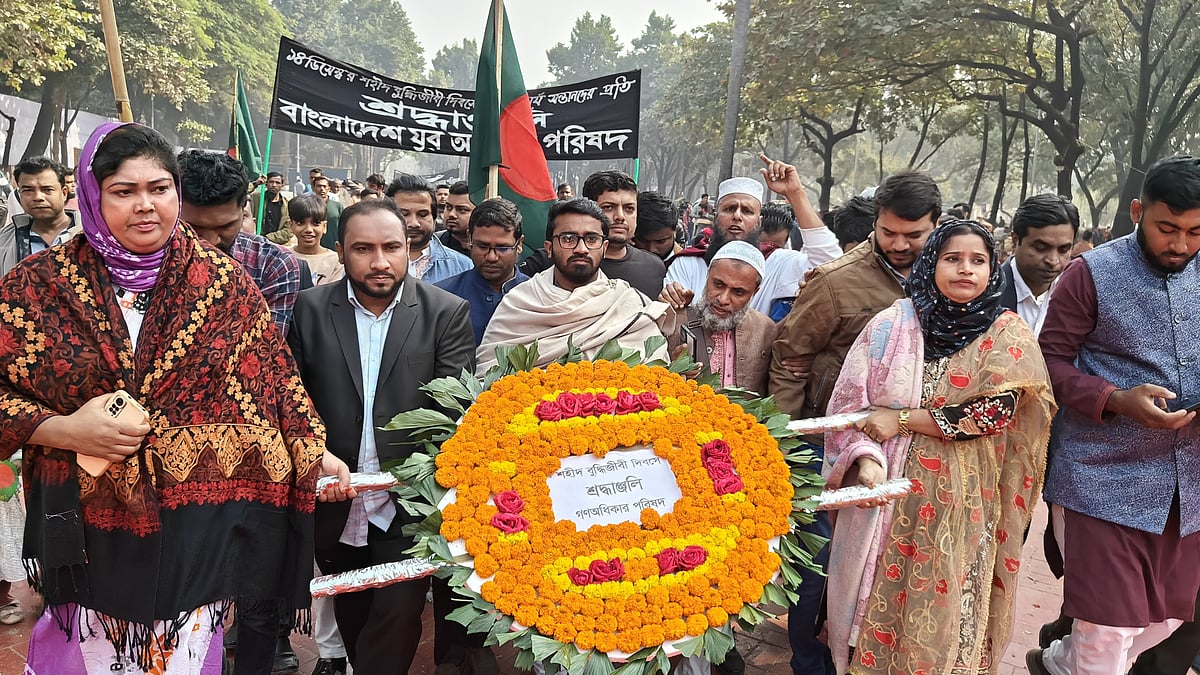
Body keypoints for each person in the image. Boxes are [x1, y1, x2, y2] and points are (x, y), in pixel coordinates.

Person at [0, 121, 350, 674]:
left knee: (185, 652)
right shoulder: (36, 286)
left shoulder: (225, 283)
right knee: (88, 650)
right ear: (91, 196)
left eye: (159, 189)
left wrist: (311, 445)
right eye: (123, 191)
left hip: (197, 514)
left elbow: (273, 377)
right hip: (86, 516)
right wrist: (63, 430)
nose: (145, 206)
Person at [823, 219, 1055, 675]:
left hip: (965, 496)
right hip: (889, 485)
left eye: (978, 261)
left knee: (945, 590)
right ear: (932, 265)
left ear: (994, 268)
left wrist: (903, 420)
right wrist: (865, 457)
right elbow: (850, 399)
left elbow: (991, 415)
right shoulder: (894, 323)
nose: (965, 270)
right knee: (877, 590)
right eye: (953, 259)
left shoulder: (1008, 333)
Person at [288, 198, 477, 675]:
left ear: (410, 249)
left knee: (397, 613)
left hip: (410, 502)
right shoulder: (309, 310)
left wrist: (422, 479)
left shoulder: (445, 313)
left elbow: (453, 412)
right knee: (353, 611)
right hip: (335, 495)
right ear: (340, 251)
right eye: (363, 249)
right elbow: (291, 400)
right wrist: (316, 456)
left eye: (392, 247)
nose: (379, 262)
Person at [1028, 156, 1200, 675]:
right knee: (1105, 635)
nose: (1180, 245)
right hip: (1099, 475)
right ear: (1136, 212)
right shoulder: (1090, 273)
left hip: (1187, 484)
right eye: (1166, 228)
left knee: (1169, 618)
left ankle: (1060, 662)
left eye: (1195, 232)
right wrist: (1115, 398)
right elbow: (1047, 364)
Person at [477, 198, 672, 372]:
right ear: (549, 248)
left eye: (591, 239)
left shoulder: (628, 304)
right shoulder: (518, 303)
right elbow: (489, 377)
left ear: (604, 248)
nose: (581, 249)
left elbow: (655, 376)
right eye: (568, 239)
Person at [664, 154, 842, 315]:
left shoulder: (777, 263)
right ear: (716, 217)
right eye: (729, 209)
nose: (737, 216)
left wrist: (795, 193)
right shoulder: (687, 264)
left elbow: (831, 265)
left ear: (759, 222)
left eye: (747, 211)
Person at [177, 150, 302, 335]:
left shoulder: (272, 264)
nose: (210, 242)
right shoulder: (146, 260)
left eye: (224, 227)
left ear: (244, 207)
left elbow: (266, 347)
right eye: (195, 229)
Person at [664, 241, 776, 393]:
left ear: (754, 292)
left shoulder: (766, 330)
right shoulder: (672, 321)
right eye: (718, 284)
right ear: (707, 275)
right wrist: (672, 370)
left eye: (738, 292)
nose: (723, 299)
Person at [436, 197, 530, 345]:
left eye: (502, 248)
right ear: (469, 239)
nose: (492, 257)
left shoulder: (538, 296)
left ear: (519, 244)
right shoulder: (441, 297)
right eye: (482, 246)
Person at [1000, 194, 1078, 337]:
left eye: (1064, 250)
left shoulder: (1077, 298)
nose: (1053, 260)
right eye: (1041, 247)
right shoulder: (987, 293)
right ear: (1015, 240)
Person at [583, 170, 667, 298]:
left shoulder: (654, 267)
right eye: (608, 207)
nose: (620, 217)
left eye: (629, 209)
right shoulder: (561, 263)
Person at [1, 156, 83, 275]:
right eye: (28, 190)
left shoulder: (91, 234)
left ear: (64, 193)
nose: (38, 197)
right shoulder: (5, 241)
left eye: (47, 189)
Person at [386, 173, 472, 284]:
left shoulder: (463, 268)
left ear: (434, 217)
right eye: (404, 214)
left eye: (422, 214)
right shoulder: (368, 263)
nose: (414, 223)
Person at [287, 194, 344, 286]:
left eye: (316, 223)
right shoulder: (283, 258)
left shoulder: (336, 261)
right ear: (290, 225)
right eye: (300, 223)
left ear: (324, 226)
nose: (309, 229)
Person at [633, 190, 681, 261]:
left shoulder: (688, 267)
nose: (652, 249)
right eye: (643, 241)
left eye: (661, 241)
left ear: (675, 231)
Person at [437, 180, 473, 256]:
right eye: (448, 207)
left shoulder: (488, 252)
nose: (451, 214)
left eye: (462, 210)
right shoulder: (434, 245)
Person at [251, 171, 289, 235]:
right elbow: (239, 193)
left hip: (276, 242)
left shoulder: (286, 205)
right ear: (266, 183)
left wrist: (268, 238)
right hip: (257, 240)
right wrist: (256, 183)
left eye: (277, 183)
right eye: (271, 182)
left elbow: (288, 230)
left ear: (282, 185)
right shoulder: (256, 198)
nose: (274, 185)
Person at [312, 175, 344, 250]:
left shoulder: (337, 206)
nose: (322, 189)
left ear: (329, 188)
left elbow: (344, 228)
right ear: (313, 188)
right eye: (319, 186)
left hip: (334, 249)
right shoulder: (308, 206)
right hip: (313, 249)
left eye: (324, 186)